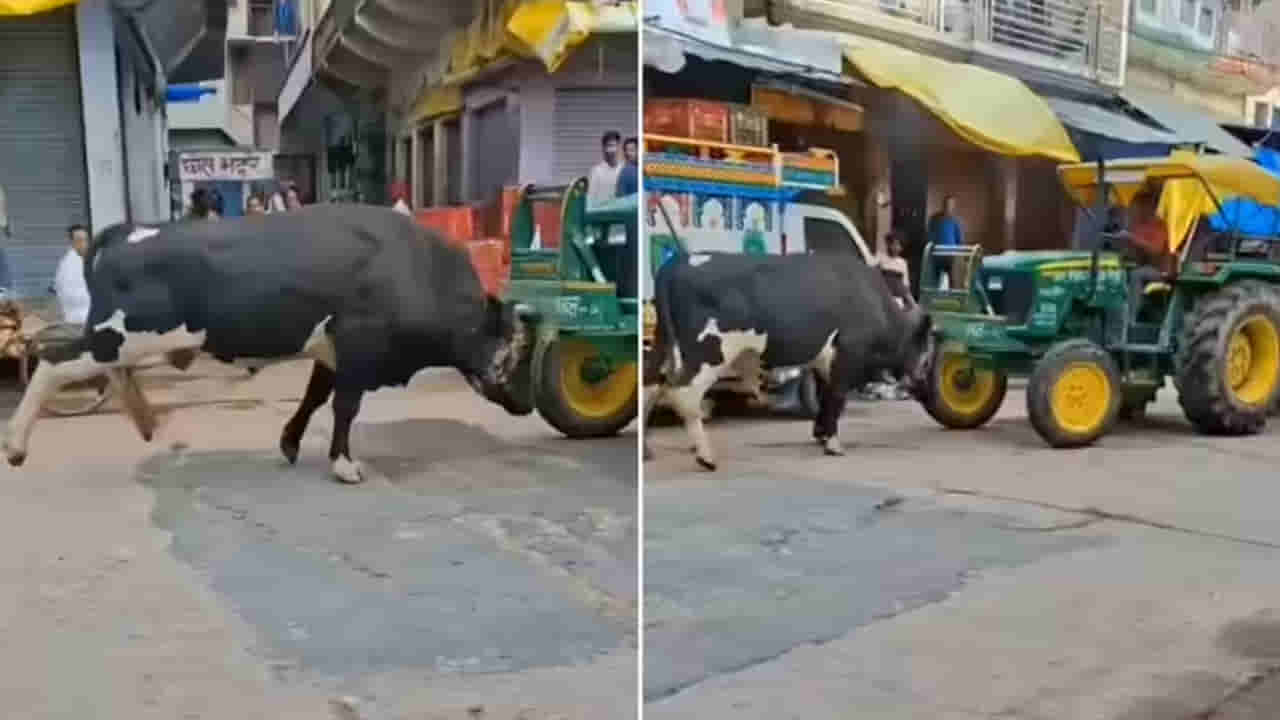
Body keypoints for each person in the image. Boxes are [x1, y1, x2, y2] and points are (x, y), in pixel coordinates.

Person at [1124, 187, 1173, 322]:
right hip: (1141, 266)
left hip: (1161, 272)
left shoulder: (1160, 226)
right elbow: (1132, 253)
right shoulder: (1137, 226)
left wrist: (1134, 239)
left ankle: (1130, 319)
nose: (1139, 209)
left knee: (1136, 275)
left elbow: (1155, 250)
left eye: (1142, 205)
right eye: (1137, 206)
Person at [53, 224, 92, 324]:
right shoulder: (68, 265)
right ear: (71, 242)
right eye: (79, 240)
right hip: (78, 318)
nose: (83, 243)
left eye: (86, 239)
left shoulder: (85, 260)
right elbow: (68, 295)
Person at [927, 194, 964, 288]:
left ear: (954, 206)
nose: (949, 207)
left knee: (952, 279)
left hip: (951, 254)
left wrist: (961, 255)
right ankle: (934, 297)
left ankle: (953, 298)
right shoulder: (935, 219)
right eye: (947, 204)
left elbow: (959, 239)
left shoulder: (955, 221)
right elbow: (930, 234)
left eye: (951, 205)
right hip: (937, 254)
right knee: (935, 279)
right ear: (943, 205)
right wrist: (931, 248)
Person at [588, 131, 623, 210]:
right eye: (609, 146)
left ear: (619, 147)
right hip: (602, 215)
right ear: (604, 149)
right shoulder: (596, 172)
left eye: (615, 145)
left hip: (620, 215)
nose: (613, 149)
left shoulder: (624, 170)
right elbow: (590, 198)